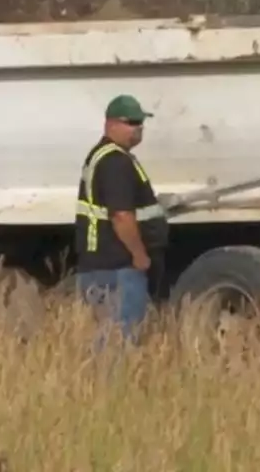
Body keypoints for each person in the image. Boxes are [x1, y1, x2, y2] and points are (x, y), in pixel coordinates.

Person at [72, 94, 169, 347]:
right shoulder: (115, 161)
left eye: (141, 123)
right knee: (120, 340)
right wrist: (140, 256)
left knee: (107, 338)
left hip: (103, 265)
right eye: (132, 122)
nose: (138, 129)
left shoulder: (104, 156)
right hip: (117, 266)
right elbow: (122, 216)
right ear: (111, 124)